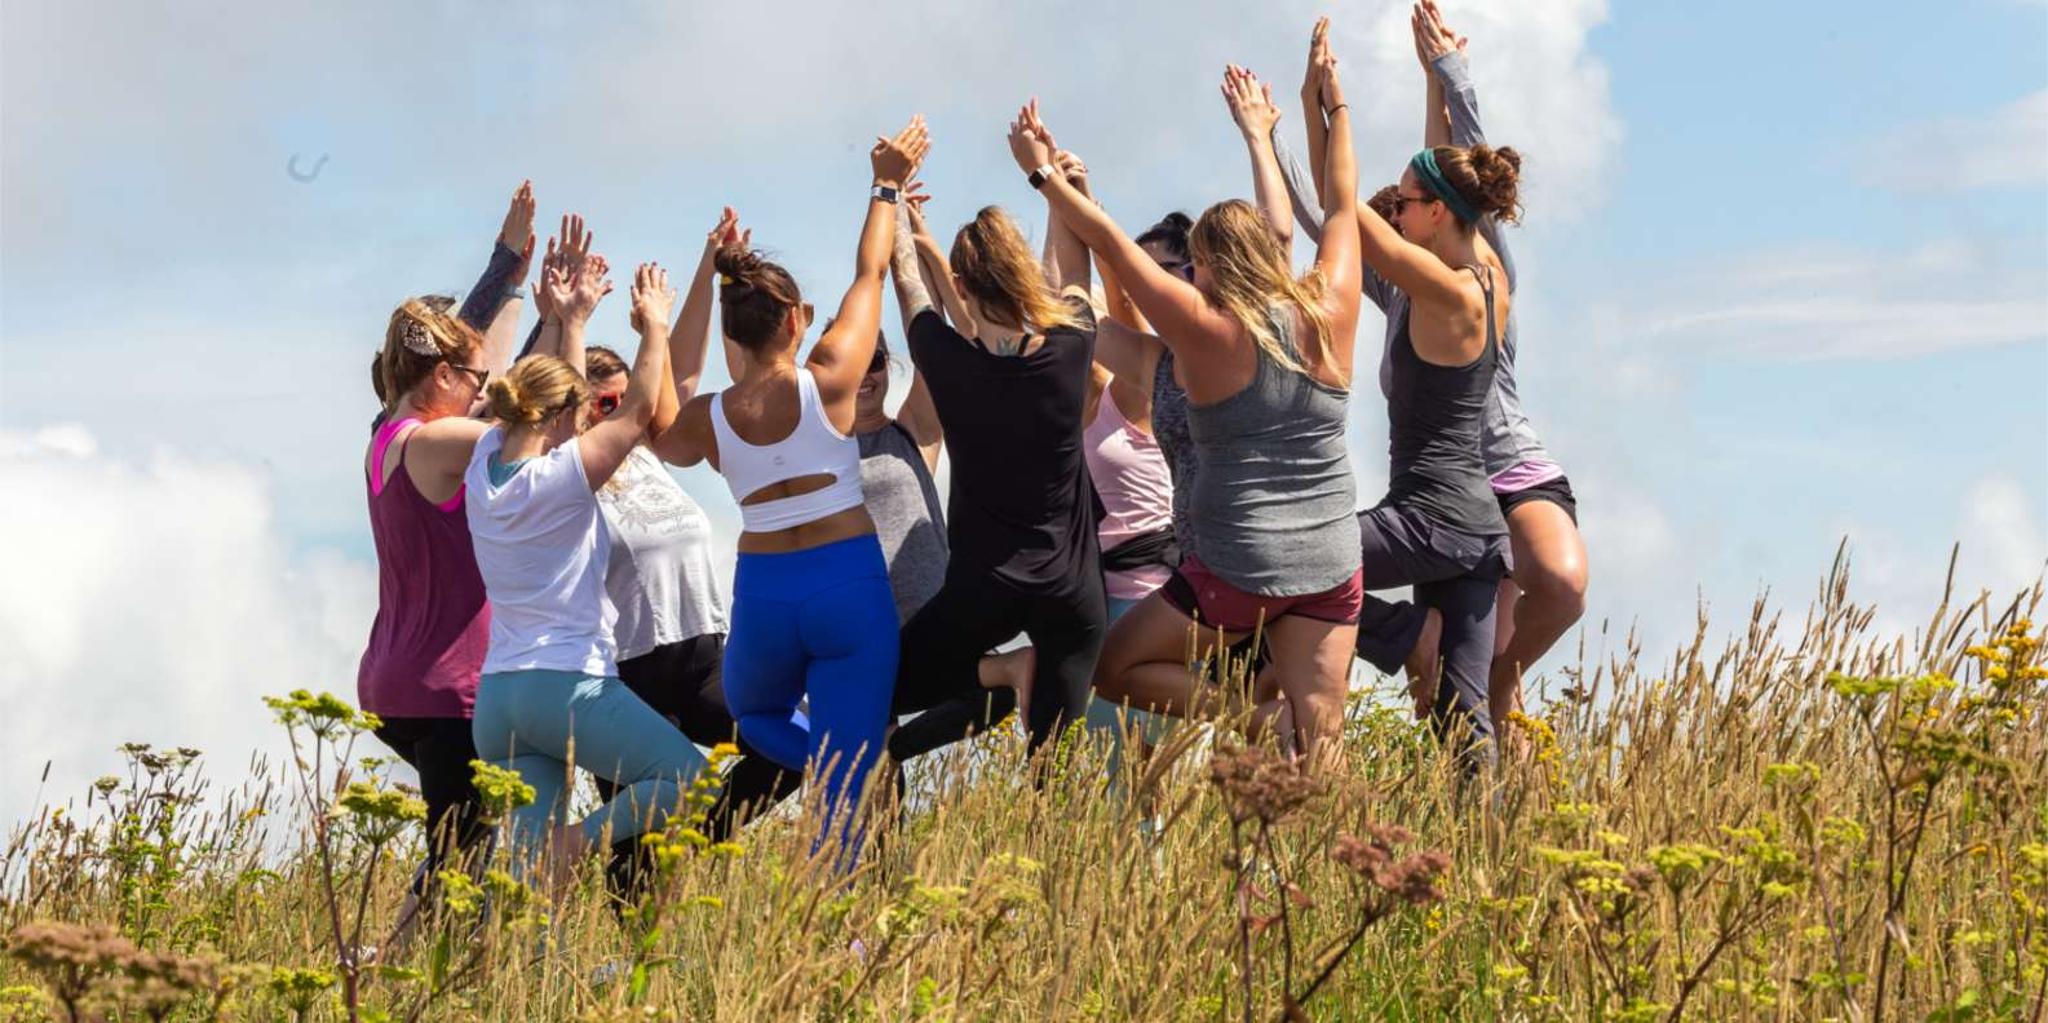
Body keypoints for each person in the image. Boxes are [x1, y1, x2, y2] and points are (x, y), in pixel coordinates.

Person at [1019, 60, 1366, 763]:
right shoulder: (1332, 309)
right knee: (1320, 732)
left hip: (1242, 564)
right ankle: (1325, 867)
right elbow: (1338, 204)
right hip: (1332, 559)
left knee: (1116, 666)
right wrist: (1336, 110)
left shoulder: (1208, 332)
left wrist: (1044, 178)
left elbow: (1114, 249)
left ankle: (1246, 718)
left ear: (1207, 265)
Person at [650, 116, 928, 863]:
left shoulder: (712, 418)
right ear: (799, 321)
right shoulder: (831, 375)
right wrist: (886, 186)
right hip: (847, 582)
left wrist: (698, 285)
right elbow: (869, 273)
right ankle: (849, 834)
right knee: (852, 758)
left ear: (734, 338)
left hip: (767, 590)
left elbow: (665, 398)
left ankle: (841, 779)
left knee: (754, 710)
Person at [1281, 16, 1522, 763]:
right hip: (1470, 534)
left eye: (1408, 201)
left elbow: (1348, 208)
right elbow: (1338, 205)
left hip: (1434, 523)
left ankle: (1397, 635)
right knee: (1461, 721)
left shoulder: (1454, 292)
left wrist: (1339, 111)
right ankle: (1488, 856)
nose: (1397, 207)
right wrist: (1318, 103)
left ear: (1438, 214)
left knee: (1289, 560)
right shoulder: (1481, 266)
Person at [569, 210, 806, 897]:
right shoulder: (569, 469)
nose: (625, 408)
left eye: (627, 395)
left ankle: (697, 841)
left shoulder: (647, 450)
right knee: (633, 864)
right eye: (607, 400)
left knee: (793, 745)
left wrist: (709, 262)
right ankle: (632, 976)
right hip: (626, 670)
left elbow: (685, 371)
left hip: (703, 648)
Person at [467, 258, 713, 888]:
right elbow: (632, 418)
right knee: (688, 778)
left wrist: (568, 318)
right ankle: (575, 843)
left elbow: (557, 402)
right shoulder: (561, 480)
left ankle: (521, 980)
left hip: (499, 698)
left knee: (525, 884)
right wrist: (653, 326)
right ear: (559, 421)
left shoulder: (484, 463)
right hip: (565, 683)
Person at [881, 141, 1110, 766]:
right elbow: (1074, 273)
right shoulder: (1070, 349)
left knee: (882, 689)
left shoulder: (947, 362)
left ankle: (1001, 671)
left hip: (984, 589)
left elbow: (908, 285)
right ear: (1023, 275)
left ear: (961, 284)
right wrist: (1052, 181)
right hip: (1073, 593)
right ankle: (1057, 849)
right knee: (1054, 766)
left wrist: (894, 206)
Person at [358, 182, 536, 939]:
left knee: (459, 845)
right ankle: (395, 974)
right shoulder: (436, 442)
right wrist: (563, 321)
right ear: (441, 383)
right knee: (462, 852)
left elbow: (453, 353)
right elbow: (524, 423)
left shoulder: (385, 433)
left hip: (398, 678)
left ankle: (397, 969)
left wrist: (507, 266)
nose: (482, 388)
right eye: (472, 381)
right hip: (445, 686)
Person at [854, 188, 951, 624]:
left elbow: (932, 339)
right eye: (850, 365)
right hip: (860, 634)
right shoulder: (813, 445)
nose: (863, 377)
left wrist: (903, 241)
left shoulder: (911, 429)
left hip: (933, 628)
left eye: (872, 361)